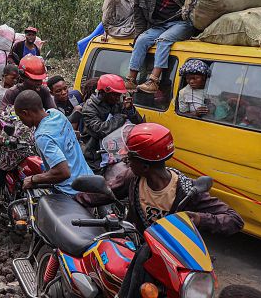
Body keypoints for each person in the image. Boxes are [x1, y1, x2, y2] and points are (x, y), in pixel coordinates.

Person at [76, 123, 244, 297]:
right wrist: (74, 200)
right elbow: (105, 193)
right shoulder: (133, 178)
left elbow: (234, 220)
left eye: (131, 158)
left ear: (145, 166)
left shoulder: (186, 190)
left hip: (176, 262)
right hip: (142, 255)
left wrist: (198, 218)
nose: (126, 161)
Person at [0, 90, 93, 242]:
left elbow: (63, 172)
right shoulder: (56, 114)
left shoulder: (42, 135)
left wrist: (33, 179)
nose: (22, 121)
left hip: (68, 190)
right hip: (86, 179)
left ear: (26, 113)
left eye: (21, 117)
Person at [126, 0, 195, 93]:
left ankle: (153, 80)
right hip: (158, 25)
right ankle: (131, 80)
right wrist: (138, 35)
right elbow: (139, 17)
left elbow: (189, 3)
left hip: (180, 23)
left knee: (163, 40)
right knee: (141, 41)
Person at [80, 74, 143, 168]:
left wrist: (130, 110)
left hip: (117, 151)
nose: (118, 98)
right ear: (103, 92)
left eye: (119, 95)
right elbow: (99, 130)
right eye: (115, 95)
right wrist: (119, 118)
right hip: (96, 155)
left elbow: (138, 124)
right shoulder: (89, 107)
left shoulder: (117, 103)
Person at [0, 55, 55, 145]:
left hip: (40, 133)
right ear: (23, 77)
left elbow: (54, 113)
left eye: (40, 80)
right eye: (34, 80)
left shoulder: (43, 91)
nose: (39, 83)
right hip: (16, 137)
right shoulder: (12, 92)